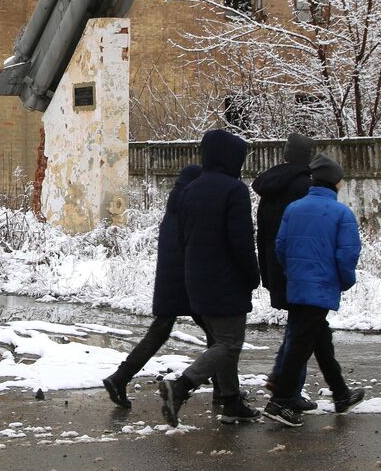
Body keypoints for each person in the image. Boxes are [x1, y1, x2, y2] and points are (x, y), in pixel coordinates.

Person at [159, 129, 261, 426]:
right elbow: (241, 240)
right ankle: (179, 388)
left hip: (195, 280)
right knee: (229, 344)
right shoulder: (234, 190)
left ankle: (230, 401)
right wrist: (252, 275)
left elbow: (181, 236)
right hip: (226, 280)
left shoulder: (191, 189)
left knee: (219, 341)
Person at [263, 153, 367, 427]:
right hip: (321, 286)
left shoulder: (294, 208)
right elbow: (348, 255)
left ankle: (341, 395)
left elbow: (281, 247)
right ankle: (280, 403)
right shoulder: (340, 213)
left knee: (321, 340)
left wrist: (293, 273)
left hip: (297, 284)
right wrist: (343, 281)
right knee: (299, 346)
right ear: (334, 182)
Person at [102, 164, 202, 409]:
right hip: (185, 282)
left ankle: (120, 377)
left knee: (162, 331)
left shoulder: (174, 207)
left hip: (170, 282)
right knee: (219, 337)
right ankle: (225, 392)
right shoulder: (189, 209)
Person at [251, 133, 316, 410]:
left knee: (301, 327)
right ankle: (287, 392)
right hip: (299, 267)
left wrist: (266, 269)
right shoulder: (304, 186)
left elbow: (262, 231)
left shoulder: (269, 186)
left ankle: (283, 382)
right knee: (303, 329)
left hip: (275, 266)